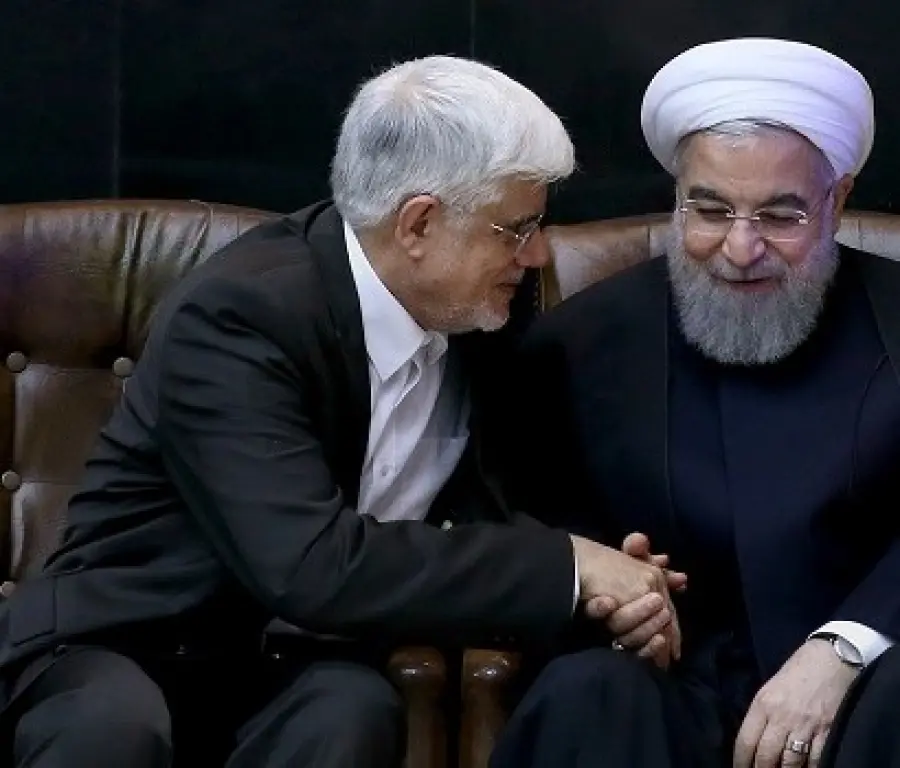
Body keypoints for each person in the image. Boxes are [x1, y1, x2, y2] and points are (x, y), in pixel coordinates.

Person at [0, 55, 680, 768]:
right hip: (121, 639)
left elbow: (491, 510)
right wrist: (565, 567)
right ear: (419, 223)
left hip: (281, 656)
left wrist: (610, 587)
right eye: (515, 228)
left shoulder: (484, 314)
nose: (537, 252)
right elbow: (309, 563)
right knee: (117, 729)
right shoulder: (241, 316)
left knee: (351, 709)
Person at [491, 38, 900, 768]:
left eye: (780, 216)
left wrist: (846, 645)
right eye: (710, 210)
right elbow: (520, 521)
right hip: (673, 684)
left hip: (868, 690)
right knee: (587, 693)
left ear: (836, 201)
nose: (741, 248)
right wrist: (611, 595)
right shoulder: (582, 341)